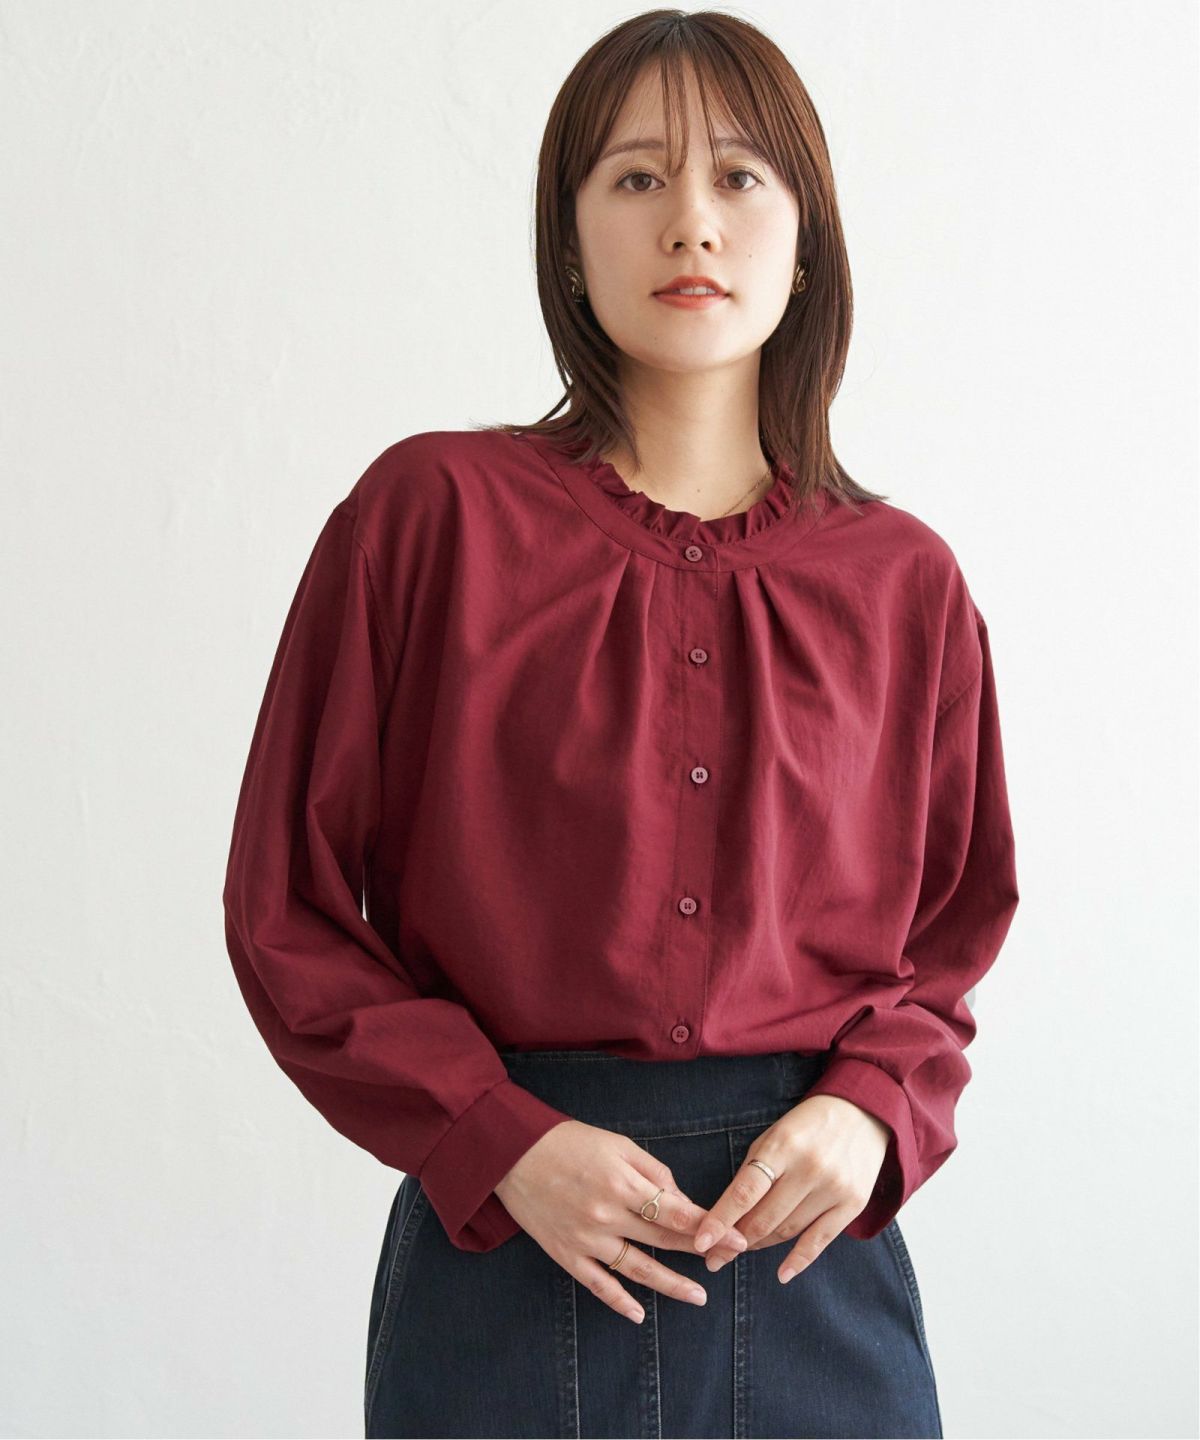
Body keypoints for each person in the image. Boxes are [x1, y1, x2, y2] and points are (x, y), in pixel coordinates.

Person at [222, 10, 1019, 1438]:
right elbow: (287, 903)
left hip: (809, 1268)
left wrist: (872, 1109)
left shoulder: (906, 584)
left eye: (740, 179)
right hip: (508, 1259)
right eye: (637, 178)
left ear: (808, 237)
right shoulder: (430, 519)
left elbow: (952, 933)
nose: (691, 223)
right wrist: (495, 1139)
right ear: (569, 240)